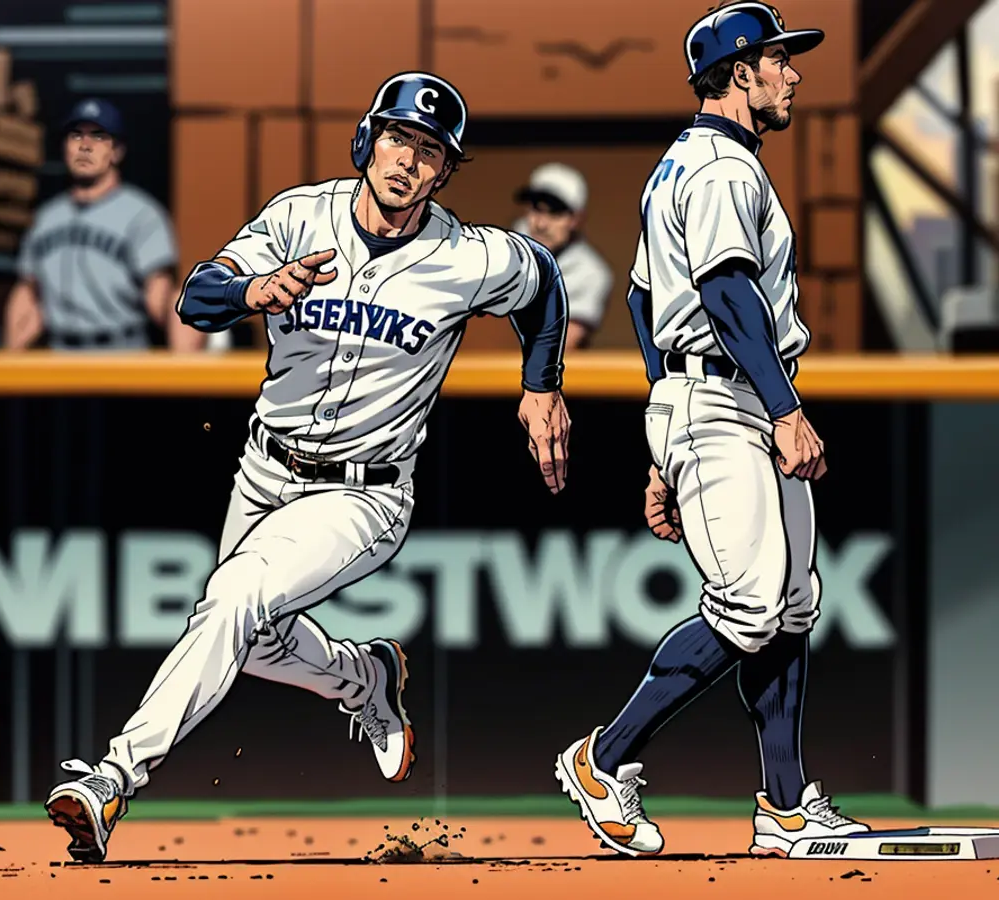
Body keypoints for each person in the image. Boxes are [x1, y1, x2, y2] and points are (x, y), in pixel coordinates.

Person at [43, 71, 572, 863]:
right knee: (250, 638)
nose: (408, 161)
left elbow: (543, 285)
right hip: (263, 470)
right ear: (367, 139)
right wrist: (258, 287)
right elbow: (197, 298)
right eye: (397, 138)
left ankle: (115, 778)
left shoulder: (469, 257)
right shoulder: (299, 217)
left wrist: (541, 389)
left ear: (444, 171)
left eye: (430, 152)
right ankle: (364, 678)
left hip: (363, 495)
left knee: (232, 598)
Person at [553, 1, 871, 858]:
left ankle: (785, 805)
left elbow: (642, 300)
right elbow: (728, 294)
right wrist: (783, 409)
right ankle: (602, 757)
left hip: (708, 397)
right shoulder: (726, 169)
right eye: (778, 60)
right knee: (750, 604)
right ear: (740, 73)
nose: (792, 73)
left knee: (793, 606)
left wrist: (667, 429)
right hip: (735, 399)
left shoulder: (680, 167)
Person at [2, 97, 202, 351]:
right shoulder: (46, 219)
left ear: (116, 151)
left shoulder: (141, 214)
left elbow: (162, 296)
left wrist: (185, 357)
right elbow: (28, 295)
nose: (85, 146)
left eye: (98, 137)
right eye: (76, 136)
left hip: (121, 354)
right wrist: (9, 363)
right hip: (58, 356)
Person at [514, 163, 612, 348]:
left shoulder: (591, 272)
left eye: (555, 213)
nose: (541, 224)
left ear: (576, 220)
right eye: (536, 209)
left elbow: (559, 346)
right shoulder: (497, 248)